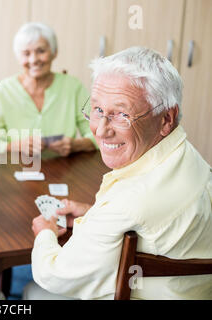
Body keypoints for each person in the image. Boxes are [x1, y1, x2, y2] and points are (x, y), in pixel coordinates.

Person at [24, 46, 212, 300]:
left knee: (34, 291)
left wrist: (45, 231)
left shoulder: (128, 203)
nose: (100, 130)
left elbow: (54, 275)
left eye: (122, 114)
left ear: (166, 119)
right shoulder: (190, 156)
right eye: (98, 110)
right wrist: (94, 215)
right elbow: (150, 218)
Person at [0, 22, 97, 157]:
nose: (33, 60)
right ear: (18, 57)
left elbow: (97, 133)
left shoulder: (73, 87)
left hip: (64, 169)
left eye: (41, 51)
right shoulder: (0, 92)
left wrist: (75, 145)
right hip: (15, 168)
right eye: (26, 53)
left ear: (54, 52)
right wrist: (15, 146)